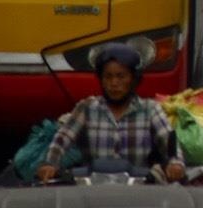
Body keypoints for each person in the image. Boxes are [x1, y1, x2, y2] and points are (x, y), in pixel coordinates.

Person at [34, 43, 185, 184]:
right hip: (91, 190)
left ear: (133, 80)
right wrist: (49, 164)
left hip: (138, 192)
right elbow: (62, 140)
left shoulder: (150, 109)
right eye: (108, 77)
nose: (114, 83)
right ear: (101, 80)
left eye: (121, 76)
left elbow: (167, 139)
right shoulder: (86, 108)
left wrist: (175, 165)